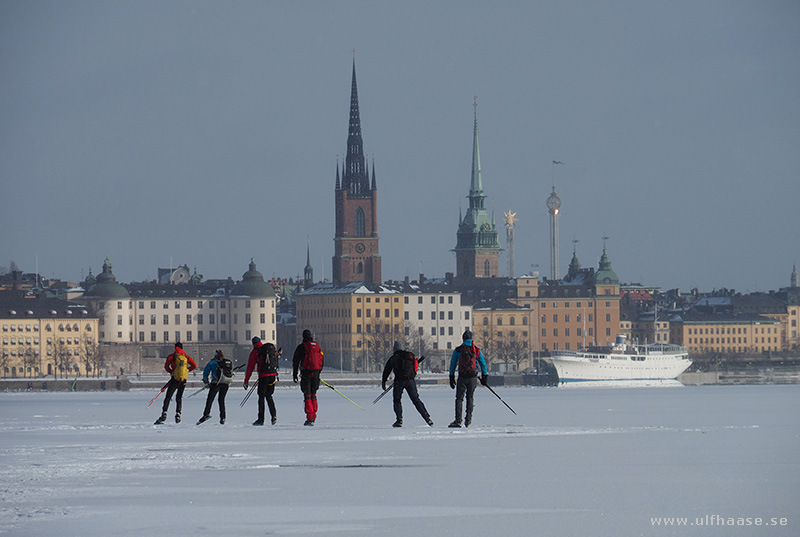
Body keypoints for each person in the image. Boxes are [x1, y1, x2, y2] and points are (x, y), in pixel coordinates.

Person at [381, 341, 433, 427]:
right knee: (416, 400)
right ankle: (427, 418)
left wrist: (384, 381)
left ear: (394, 349)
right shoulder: (410, 356)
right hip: (410, 381)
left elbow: (387, 370)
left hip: (399, 381)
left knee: (397, 400)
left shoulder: (393, 358)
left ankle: (399, 420)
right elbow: (415, 366)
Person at [448, 330, 488, 428]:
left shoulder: (458, 350)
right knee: (470, 397)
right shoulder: (476, 350)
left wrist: (451, 377)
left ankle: (458, 420)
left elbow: (453, 364)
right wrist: (484, 376)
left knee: (459, 399)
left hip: (462, 377)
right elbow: (482, 363)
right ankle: (468, 419)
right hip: (473, 377)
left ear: (463, 338)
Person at [154, 342, 197, 425]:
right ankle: (178, 414)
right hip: (183, 379)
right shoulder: (186, 357)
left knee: (168, 396)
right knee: (179, 397)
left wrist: (172, 372)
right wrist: (187, 371)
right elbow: (194, 365)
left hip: (174, 379)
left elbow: (166, 366)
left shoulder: (172, 356)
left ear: (175, 347)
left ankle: (164, 413)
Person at [244, 337, 279, 426]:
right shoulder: (269, 349)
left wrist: (246, 381)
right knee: (269, 396)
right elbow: (276, 356)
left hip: (263, 376)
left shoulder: (255, 352)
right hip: (272, 376)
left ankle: (261, 419)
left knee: (261, 397)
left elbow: (250, 368)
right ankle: (273, 416)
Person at [292, 329, 323, 426]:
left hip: (306, 373)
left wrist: (295, 374)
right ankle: (313, 415)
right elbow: (322, 360)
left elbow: (295, 361)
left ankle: (310, 417)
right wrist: (318, 372)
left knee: (307, 395)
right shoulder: (317, 346)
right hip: (316, 373)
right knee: (314, 394)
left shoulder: (302, 347)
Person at [197, 350, 233, 425]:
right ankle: (223, 417)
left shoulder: (213, 362)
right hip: (225, 383)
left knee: (210, 399)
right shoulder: (226, 363)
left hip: (215, 383)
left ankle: (206, 414)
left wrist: (206, 380)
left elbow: (206, 372)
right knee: (221, 400)